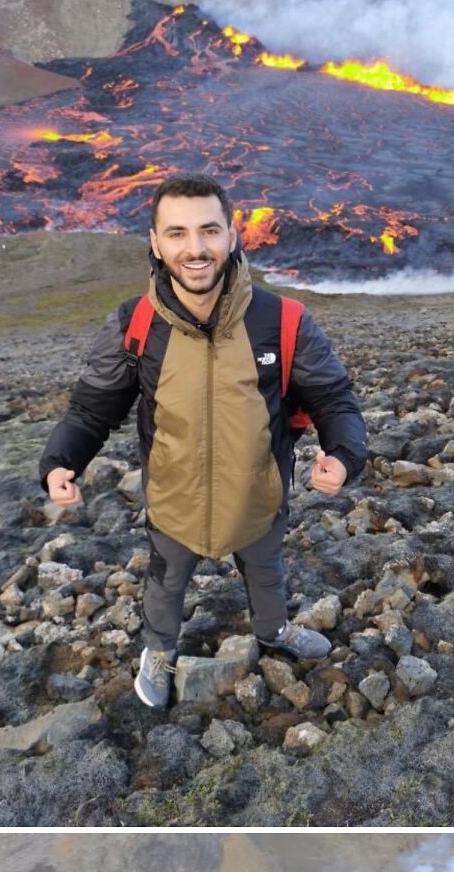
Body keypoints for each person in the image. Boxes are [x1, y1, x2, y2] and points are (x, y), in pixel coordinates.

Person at [39, 173, 368, 708]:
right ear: (155, 243)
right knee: (165, 584)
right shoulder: (135, 325)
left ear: (233, 235)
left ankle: (273, 630)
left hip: (259, 495)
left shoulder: (283, 321)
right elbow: (91, 409)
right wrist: (61, 460)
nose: (195, 249)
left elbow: (334, 398)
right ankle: (159, 651)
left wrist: (345, 454)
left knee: (267, 572)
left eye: (209, 231)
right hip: (174, 500)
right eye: (177, 233)